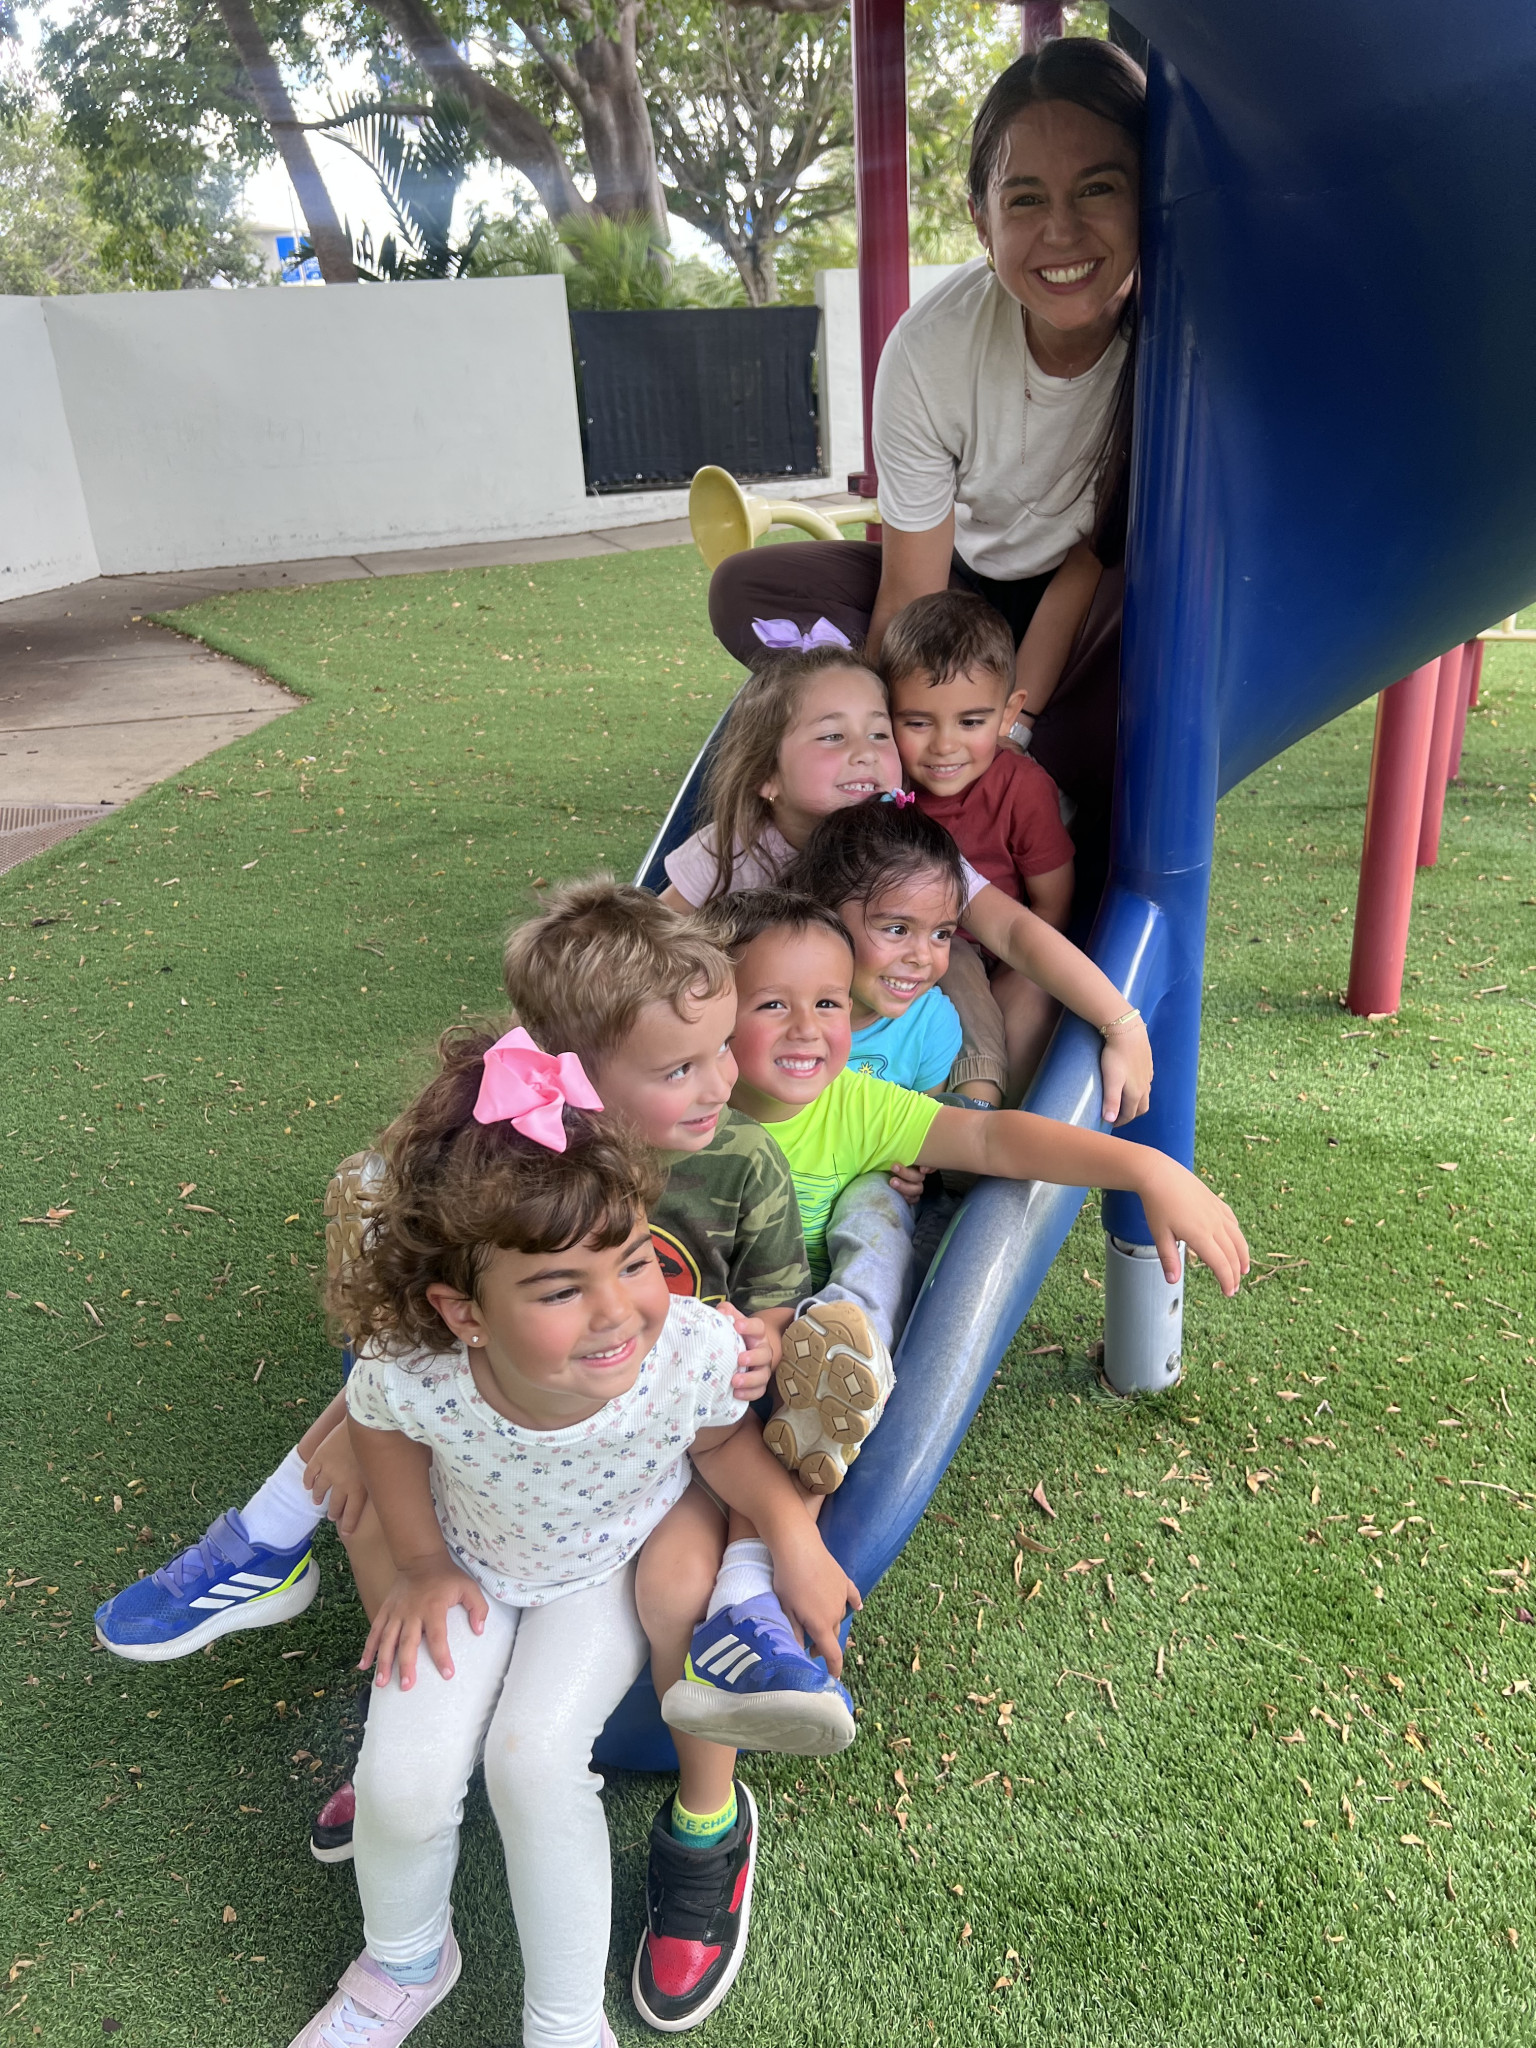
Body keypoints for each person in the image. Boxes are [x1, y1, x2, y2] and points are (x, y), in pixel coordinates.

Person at [286, 1025, 857, 2048]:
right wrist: (420, 1562)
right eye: (559, 1289)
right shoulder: (422, 1370)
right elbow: (377, 1422)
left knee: (534, 1763)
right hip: (471, 1566)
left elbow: (724, 1446)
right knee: (399, 1780)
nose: (617, 1312)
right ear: (464, 1312)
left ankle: (564, 2022)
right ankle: (405, 1960)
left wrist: (791, 1538)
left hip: (602, 1573)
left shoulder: (687, 1349)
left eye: (632, 1260)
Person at [662, 890, 1247, 1551]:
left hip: (794, 1358)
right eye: (772, 1004)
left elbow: (992, 1139)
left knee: (873, 1220)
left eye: (829, 1003)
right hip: (690, 1364)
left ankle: (834, 1381)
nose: (807, 1028)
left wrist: (1146, 1168)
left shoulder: (853, 1105)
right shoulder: (674, 1115)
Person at [705, 36, 1146, 913]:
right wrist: (882, 754)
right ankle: (952, 744)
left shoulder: (1175, 347)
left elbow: (1091, 560)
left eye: (1098, 188)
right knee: (747, 592)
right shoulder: (932, 350)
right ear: (982, 222)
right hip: (961, 589)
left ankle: (1052, 801)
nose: (1062, 231)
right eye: (1025, 199)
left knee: (1145, 686)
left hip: (1087, 611)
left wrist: (1016, 722)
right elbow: (913, 587)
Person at [657, 639, 1155, 1117]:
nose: (865, 752)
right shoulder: (734, 848)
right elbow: (652, 938)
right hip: (776, 1053)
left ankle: (974, 1100)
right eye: (833, 736)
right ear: (766, 773)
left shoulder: (903, 851)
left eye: (879, 734)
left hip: (882, 1030)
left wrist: (1121, 1022)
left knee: (953, 957)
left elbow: (1011, 930)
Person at [883, 588, 1079, 1096]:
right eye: (918, 722)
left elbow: (1053, 903)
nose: (944, 745)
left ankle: (979, 1101)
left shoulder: (1021, 788)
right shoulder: (884, 784)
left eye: (971, 722)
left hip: (984, 946)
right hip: (892, 947)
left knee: (989, 978)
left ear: (1009, 713)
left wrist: (1017, 974)